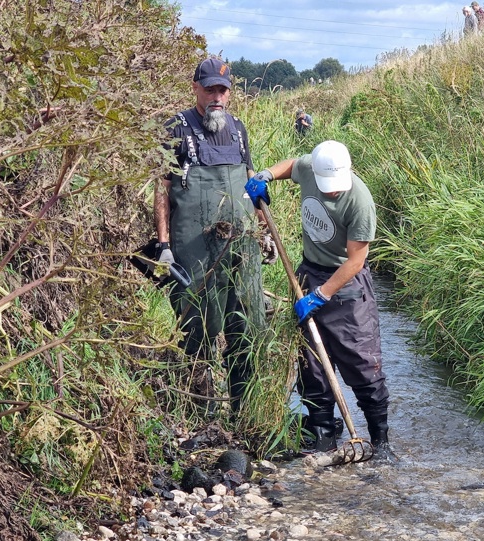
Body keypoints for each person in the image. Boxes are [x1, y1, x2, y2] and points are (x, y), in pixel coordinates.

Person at [246, 140, 394, 459]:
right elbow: (289, 166)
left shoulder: (360, 201)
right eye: (327, 186)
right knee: (311, 364)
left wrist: (321, 295)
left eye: (335, 187)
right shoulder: (310, 169)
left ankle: (381, 443)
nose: (331, 192)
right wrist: (265, 176)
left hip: (348, 286)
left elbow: (355, 261)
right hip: (310, 273)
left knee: (363, 363)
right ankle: (323, 439)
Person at [154, 58, 275, 414]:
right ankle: (198, 410)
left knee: (246, 321)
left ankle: (245, 406)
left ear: (230, 93)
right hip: (192, 248)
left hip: (240, 245)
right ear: (196, 89)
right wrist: (163, 246)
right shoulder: (175, 128)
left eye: (222, 90)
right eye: (209, 89)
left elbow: (251, 182)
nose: (216, 97)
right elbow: (161, 190)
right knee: (196, 324)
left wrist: (262, 231)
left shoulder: (239, 130)